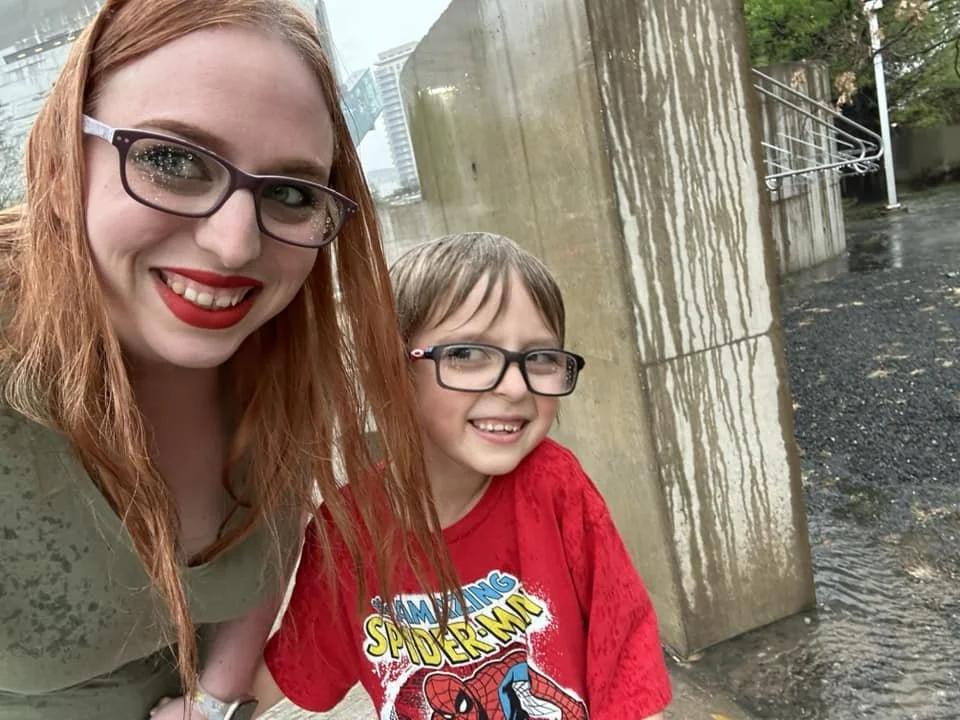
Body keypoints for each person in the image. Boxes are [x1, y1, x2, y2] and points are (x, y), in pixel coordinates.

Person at [0, 2, 456, 719]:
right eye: (172, 159)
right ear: (60, 163)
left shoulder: (280, 354)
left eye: (291, 192)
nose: (236, 244)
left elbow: (265, 551)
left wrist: (216, 701)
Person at [255, 232, 673, 719]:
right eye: (468, 354)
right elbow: (298, 665)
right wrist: (201, 706)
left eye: (538, 359)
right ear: (392, 368)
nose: (515, 388)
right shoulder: (347, 531)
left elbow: (626, 661)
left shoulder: (554, 487)